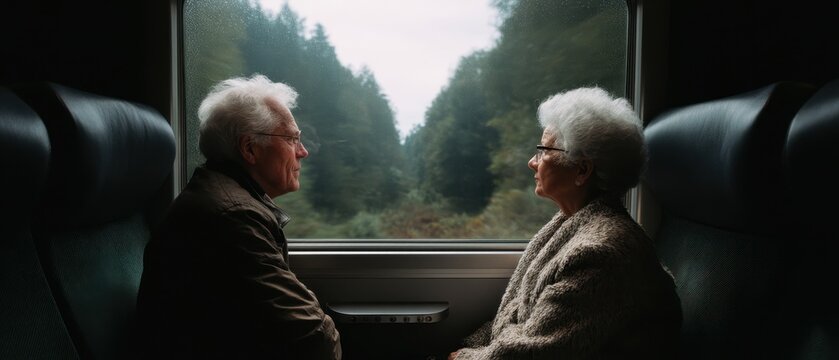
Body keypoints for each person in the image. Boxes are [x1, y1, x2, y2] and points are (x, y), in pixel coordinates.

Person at [450, 87, 681, 359]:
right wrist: (472, 346)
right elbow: (518, 316)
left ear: (582, 170)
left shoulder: (602, 254)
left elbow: (534, 352)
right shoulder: (572, 223)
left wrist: (464, 357)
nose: (531, 163)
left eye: (542, 151)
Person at [136, 74, 341, 359]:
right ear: (249, 148)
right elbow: (312, 337)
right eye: (292, 139)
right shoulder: (232, 218)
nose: (302, 152)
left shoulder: (224, 200)